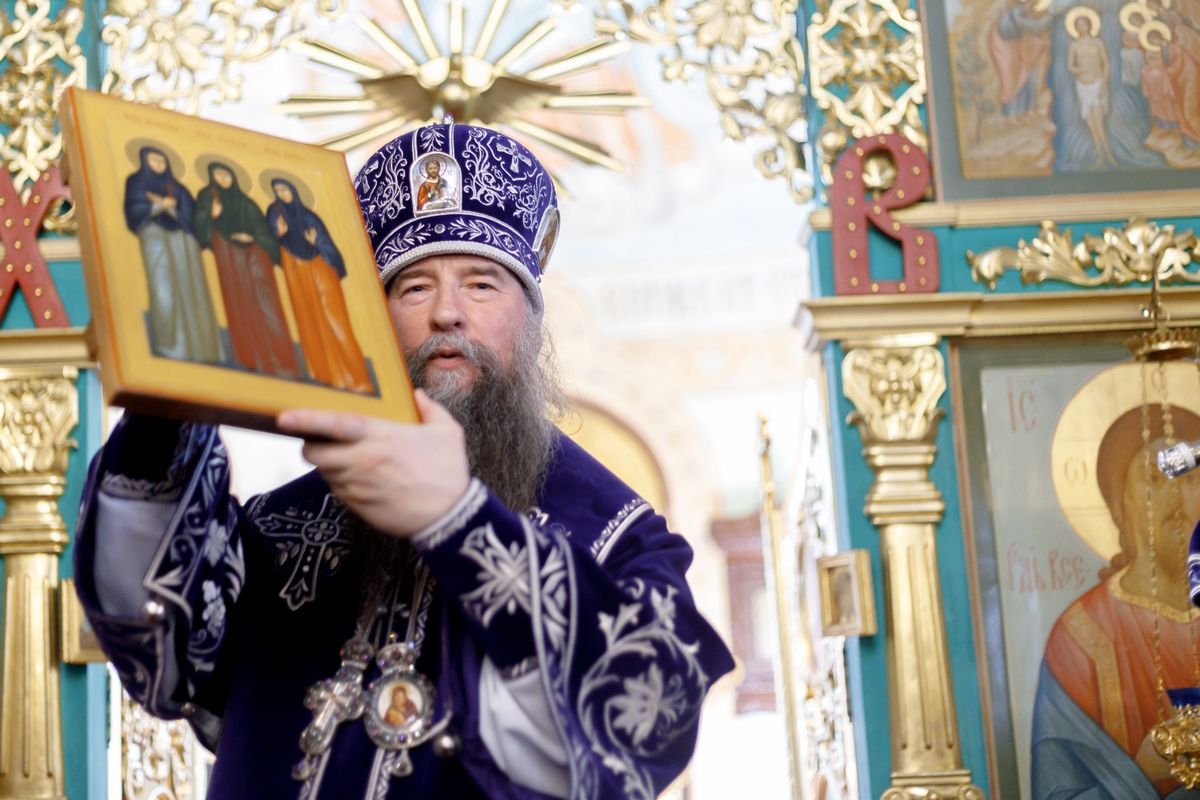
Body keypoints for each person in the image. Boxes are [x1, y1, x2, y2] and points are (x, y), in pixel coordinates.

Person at [74, 121, 734, 800]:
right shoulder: (283, 524)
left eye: (482, 285)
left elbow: (650, 722)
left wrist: (460, 522)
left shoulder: (612, 532)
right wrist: (164, 407)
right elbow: (161, 645)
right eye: (414, 288)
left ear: (531, 321)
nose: (447, 313)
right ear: (376, 322)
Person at [1032, 405, 1200, 798]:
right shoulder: (1080, 639)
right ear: (1119, 507)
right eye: (1153, 478)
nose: (1175, 492)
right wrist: (1142, 773)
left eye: (1190, 477)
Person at [193, 161, 300, 380]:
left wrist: (254, 239)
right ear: (212, 177)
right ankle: (251, 359)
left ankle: (282, 361)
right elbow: (200, 227)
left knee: (267, 304)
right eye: (219, 175)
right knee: (239, 304)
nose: (223, 179)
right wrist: (212, 215)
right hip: (230, 261)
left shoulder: (247, 204)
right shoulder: (208, 197)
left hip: (256, 259)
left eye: (226, 175)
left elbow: (264, 232)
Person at [266, 177, 373, 393]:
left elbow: (330, 249)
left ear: (293, 190)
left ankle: (357, 377)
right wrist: (278, 234)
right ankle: (323, 374)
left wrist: (316, 243)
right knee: (308, 318)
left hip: (321, 268)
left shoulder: (310, 217)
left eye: (284, 189)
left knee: (335, 319)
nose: (282, 194)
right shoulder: (277, 214)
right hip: (296, 270)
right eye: (277, 191)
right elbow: (271, 245)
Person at [122, 145, 224, 364]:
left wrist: (173, 209)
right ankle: (170, 346)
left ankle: (202, 349)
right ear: (144, 161)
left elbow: (192, 216)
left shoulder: (178, 188)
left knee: (192, 290)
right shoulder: (137, 182)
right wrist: (158, 207)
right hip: (154, 235)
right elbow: (134, 210)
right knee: (163, 287)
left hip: (183, 240)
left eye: (162, 161)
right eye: (154, 161)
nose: (159, 165)